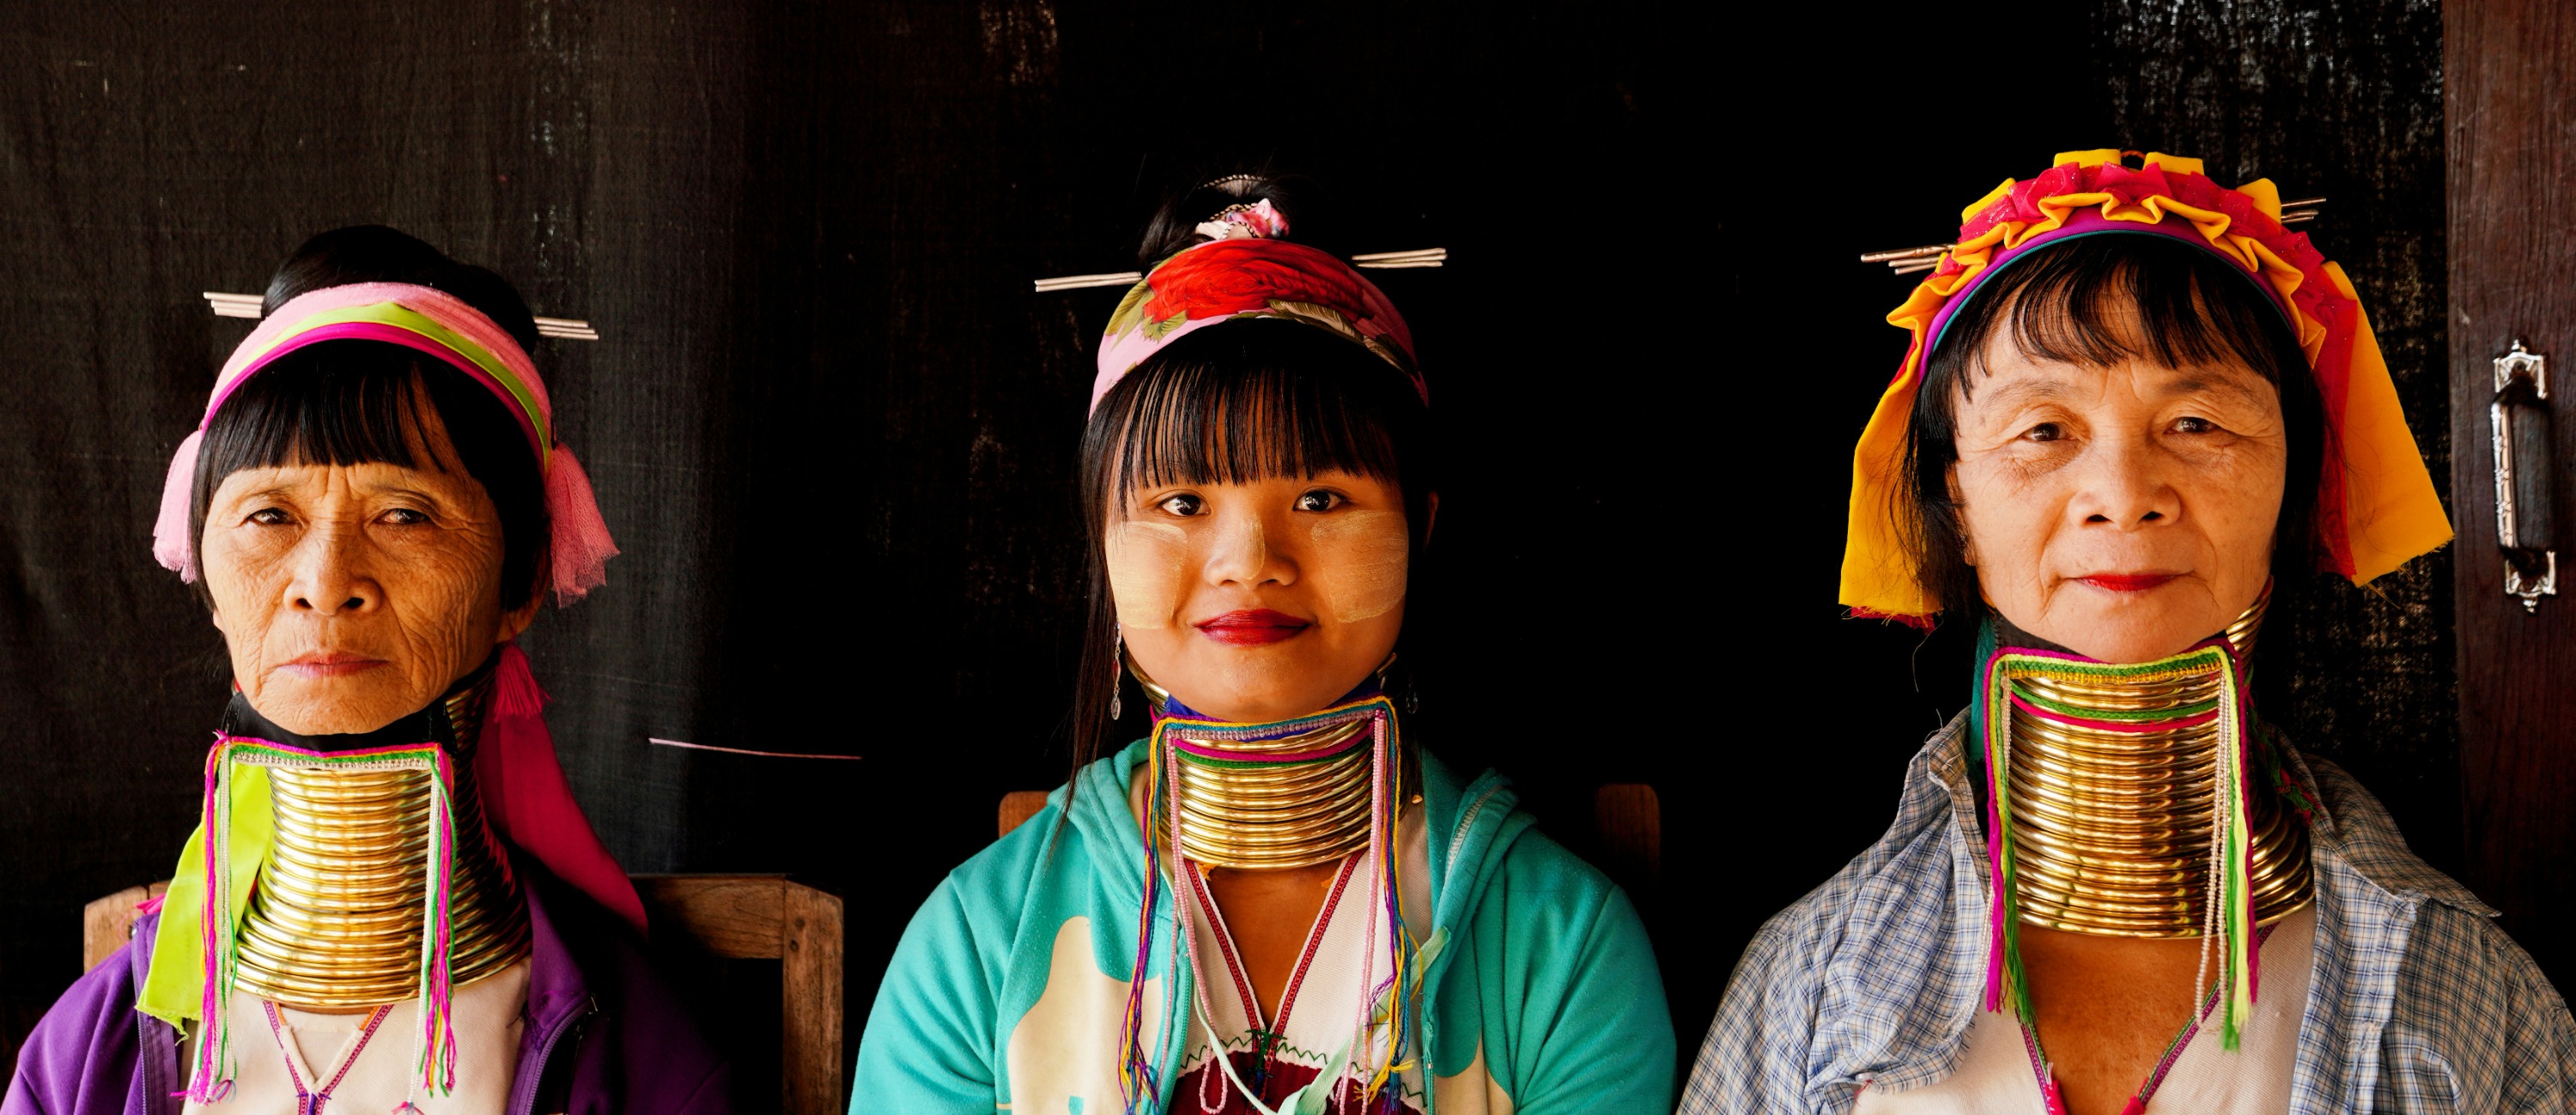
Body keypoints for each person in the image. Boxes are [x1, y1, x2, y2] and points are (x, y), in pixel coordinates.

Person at [1681, 150, 2576, 1113]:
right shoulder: (1809, 989)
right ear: (1958, 499)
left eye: (2196, 422)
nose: (2122, 496)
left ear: (2294, 488)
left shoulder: (2466, 995)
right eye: (2043, 430)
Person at [852, 175, 1675, 1113]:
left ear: (1422, 532)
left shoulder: (1556, 947)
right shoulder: (980, 947)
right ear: (1103, 546)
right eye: (1182, 503)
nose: (1250, 563)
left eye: (1320, 500)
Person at [3, 227, 731, 1115]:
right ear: (208, 575)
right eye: (269, 515)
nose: (325, 584)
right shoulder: (88, 1056)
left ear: (525, 578)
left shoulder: (644, 1067)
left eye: (406, 516)